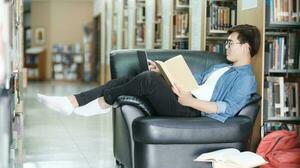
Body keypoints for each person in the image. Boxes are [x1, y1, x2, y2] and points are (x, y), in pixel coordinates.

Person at [37, 24, 260, 123]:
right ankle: (73, 101)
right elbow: (194, 84)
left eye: (231, 43)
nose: (227, 47)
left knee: (146, 79)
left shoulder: (246, 79)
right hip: (185, 98)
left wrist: (190, 101)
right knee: (129, 79)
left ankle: (104, 103)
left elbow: (226, 109)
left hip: (193, 111)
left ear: (247, 47)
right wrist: (166, 74)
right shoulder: (220, 67)